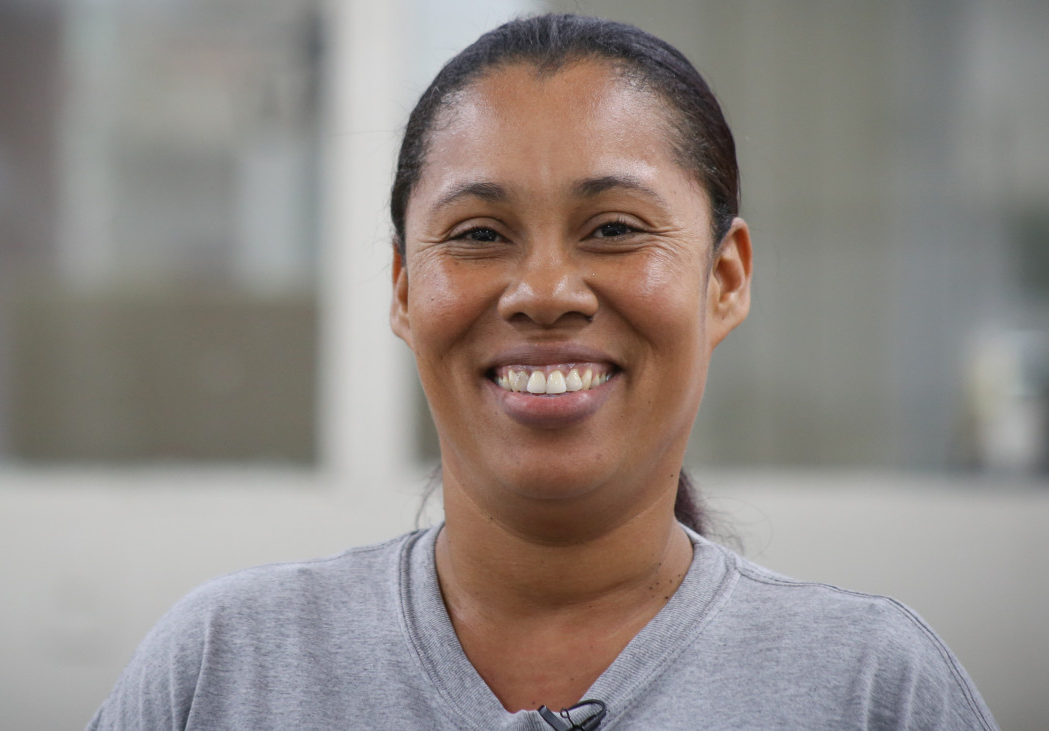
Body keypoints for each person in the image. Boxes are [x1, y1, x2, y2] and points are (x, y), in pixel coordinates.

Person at [88, 15, 996, 730]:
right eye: (480, 234)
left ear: (724, 279)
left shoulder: (871, 688)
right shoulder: (224, 670)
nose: (546, 292)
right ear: (403, 288)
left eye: (615, 229)